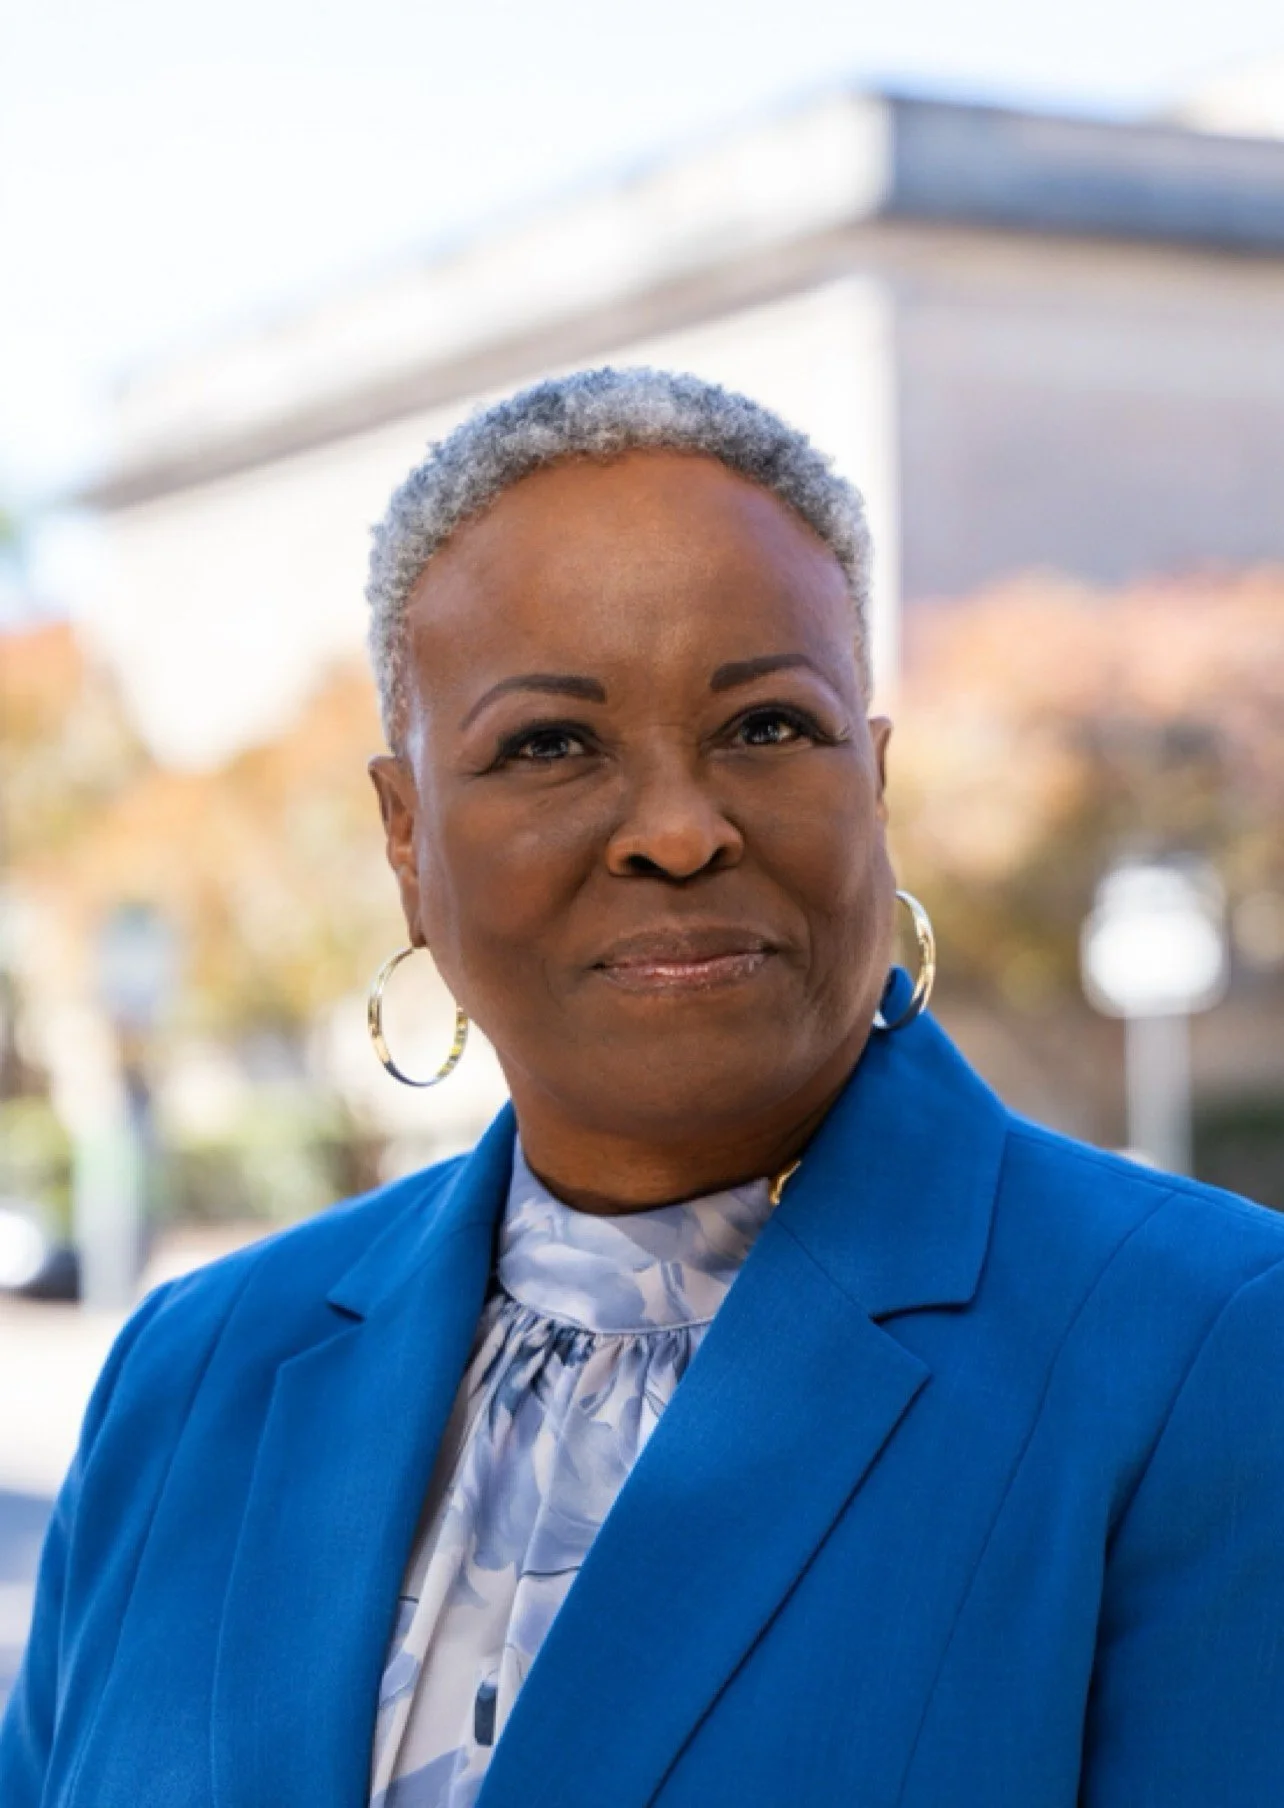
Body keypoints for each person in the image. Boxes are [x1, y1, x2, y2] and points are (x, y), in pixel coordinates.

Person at [3, 367, 1282, 1808]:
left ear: (875, 784)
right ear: (405, 838)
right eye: (550, 744)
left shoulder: (1210, 1352)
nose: (678, 830)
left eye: (766, 727)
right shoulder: (191, 1374)